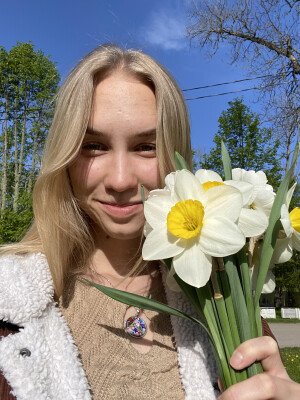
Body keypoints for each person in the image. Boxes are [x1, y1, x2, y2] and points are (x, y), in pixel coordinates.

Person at [0, 44, 299, 400]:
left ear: (175, 155)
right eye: (93, 145)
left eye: (146, 146)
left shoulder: (227, 303)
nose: (122, 180)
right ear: (64, 156)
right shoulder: (9, 305)